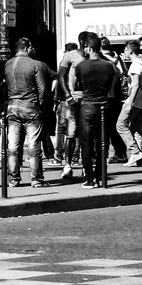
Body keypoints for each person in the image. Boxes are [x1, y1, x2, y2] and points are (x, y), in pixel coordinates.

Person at [3, 37, 53, 187]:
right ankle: (36, 179)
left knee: (13, 145)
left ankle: (13, 179)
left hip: (12, 107)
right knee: (33, 145)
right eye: (31, 47)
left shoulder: (8, 64)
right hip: (30, 106)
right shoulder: (34, 64)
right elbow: (42, 89)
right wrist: (41, 105)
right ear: (27, 48)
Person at [71, 36, 118, 187]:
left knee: (86, 143)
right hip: (104, 104)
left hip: (87, 105)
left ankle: (89, 178)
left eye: (86, 47)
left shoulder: (82, 66)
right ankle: (100, 175)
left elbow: (76, 83)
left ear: (90, 48)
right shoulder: (109, 66)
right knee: (102, 143)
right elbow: (113, 83)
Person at [55, 39, 86, 181]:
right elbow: (60, 76)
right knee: (70, 133)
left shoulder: (94, 57)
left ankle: (84, 164)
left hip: (87, 100)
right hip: (73, 99)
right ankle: (67, 165)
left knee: (86, 134)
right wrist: (67, 96)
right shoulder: (70, 57)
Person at [118, 40, 142, 166]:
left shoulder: (135, 65)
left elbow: (135, 85)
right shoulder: (141, 63)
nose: (124, 52)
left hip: (135, 99)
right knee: (135, 128)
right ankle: (138, 157)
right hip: (141, 100)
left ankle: (135, 152)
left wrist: (130, 101)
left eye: (125, 50)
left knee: (120, 125)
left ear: (130, 50)